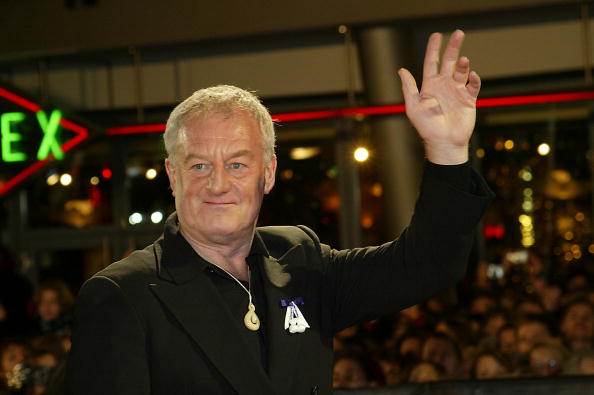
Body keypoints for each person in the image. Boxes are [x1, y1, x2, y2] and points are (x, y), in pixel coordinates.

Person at [65, 29, 493, 394]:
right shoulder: (123, 295)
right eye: (198, 166)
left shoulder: (300, 258)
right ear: (172, 176)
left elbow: (426, 264)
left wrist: (447, 149)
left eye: (237, 164)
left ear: (267, 174)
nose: (217, 184)